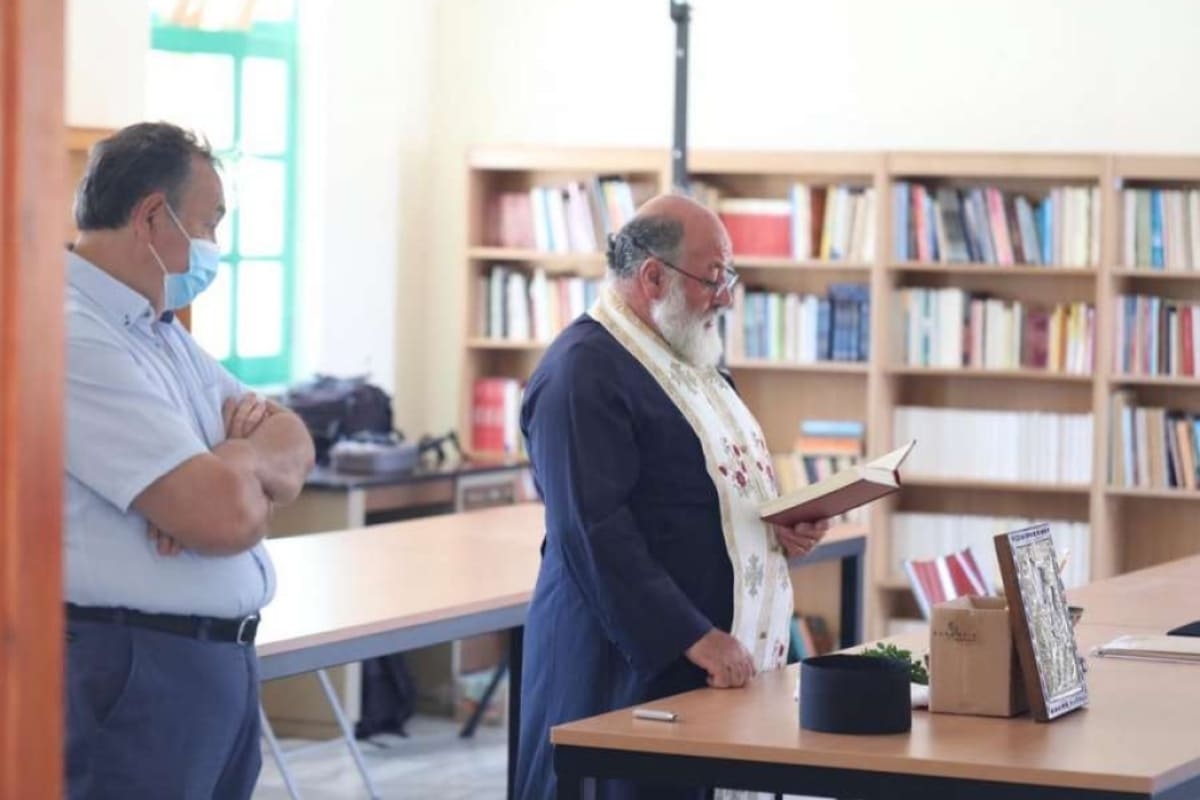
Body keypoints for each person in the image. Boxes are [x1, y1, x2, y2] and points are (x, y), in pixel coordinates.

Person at [514, 194, 831, 799]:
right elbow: (594, 532)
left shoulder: (691, 358)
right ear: (652, 275)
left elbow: (706, 488)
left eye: (728, 278)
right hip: (625, 661)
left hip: (698, 658)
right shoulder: (582, 372)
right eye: (713, 278)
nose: (726, 297)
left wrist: (777, 525)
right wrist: (694, 636)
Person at [63, 122, 315, 799]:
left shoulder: (157, 331)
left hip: (212, 664)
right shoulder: (71, 333)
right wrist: (231, 475)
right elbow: (223, 517)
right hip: (136, 672)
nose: (215, 249)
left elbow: (293, 442)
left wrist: (229, 458)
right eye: (209, 225)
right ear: (151, 216)